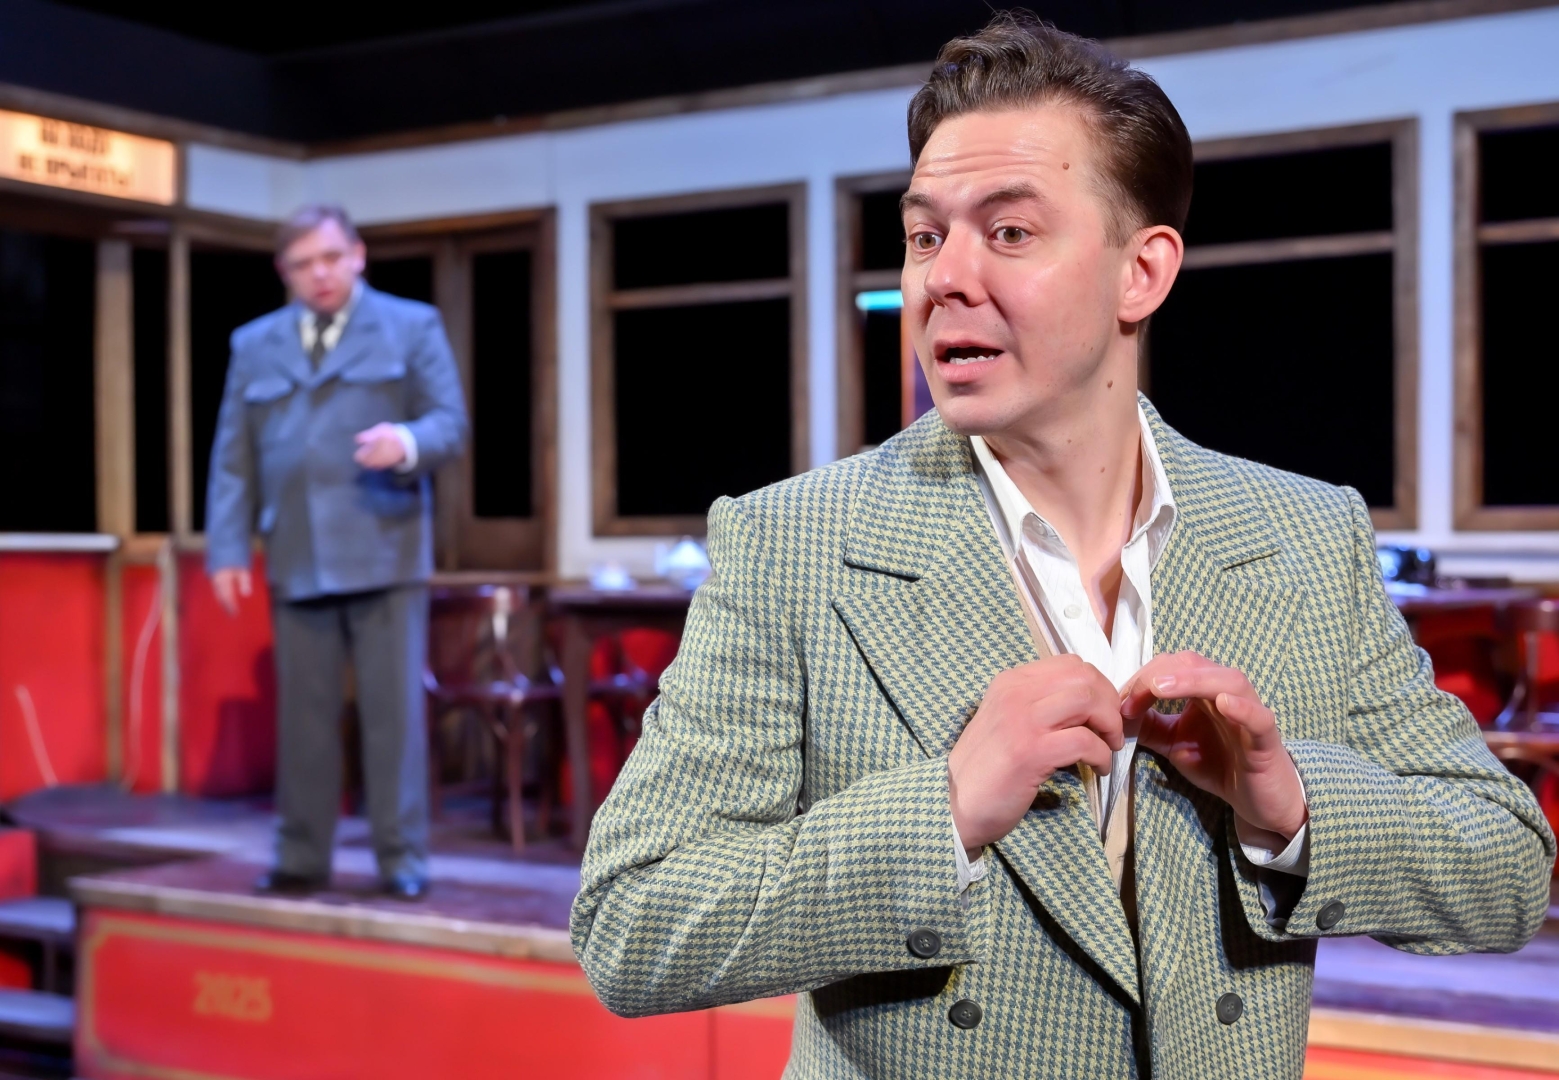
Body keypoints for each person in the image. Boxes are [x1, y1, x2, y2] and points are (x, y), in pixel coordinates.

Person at [570, 15, 1555, 1077]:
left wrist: (1291, 806)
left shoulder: (1304, 536)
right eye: (923, 236)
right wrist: (941, 814)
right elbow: (631, 922)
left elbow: (1506, 867)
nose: (943, 278)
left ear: (1142, 272)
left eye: (1007, 232)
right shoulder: (793, 544)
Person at [206, 204, 468, 902]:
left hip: (383, 546)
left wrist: (404, 443)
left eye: (329, 258)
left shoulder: (410, 325)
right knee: (303, 719)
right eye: (303, 264)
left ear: (357, 254)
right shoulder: (254, 344)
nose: (319, 274)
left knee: (391, 717)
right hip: (298, 550)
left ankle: (401, 858)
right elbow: (232, 457)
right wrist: (228, 549)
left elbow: (450, 422)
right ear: (283, 271)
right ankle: (300, 856)